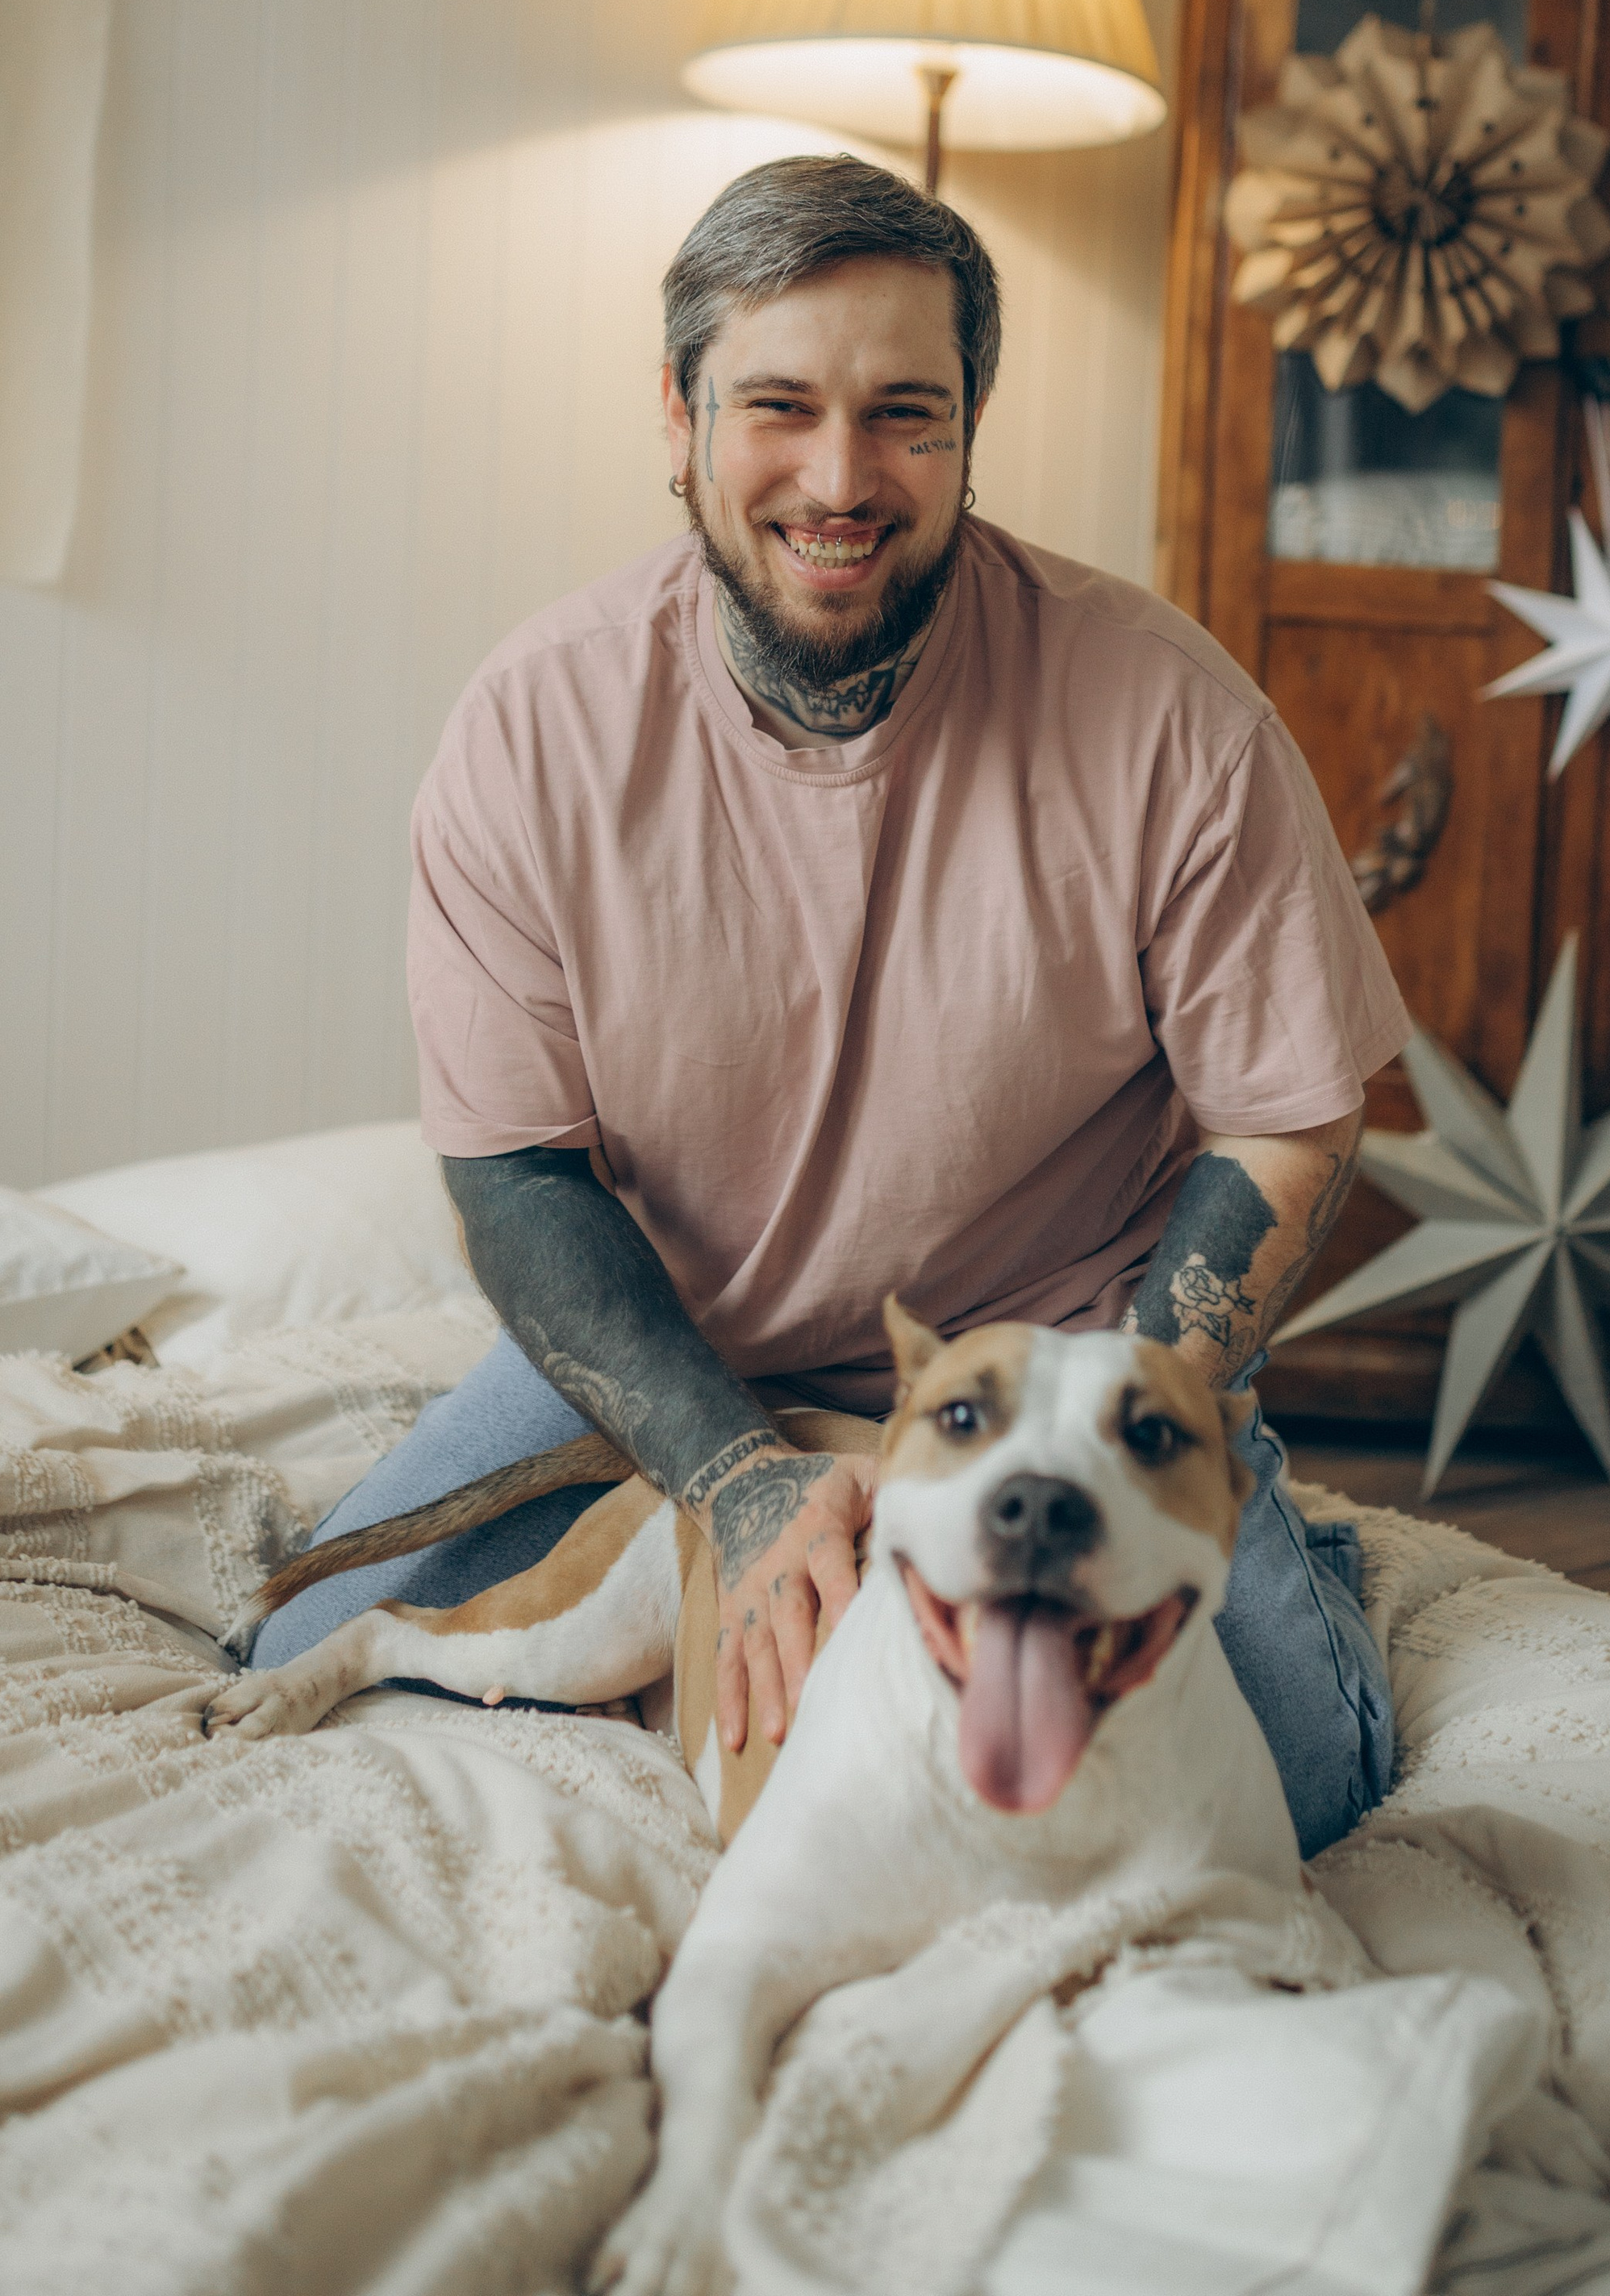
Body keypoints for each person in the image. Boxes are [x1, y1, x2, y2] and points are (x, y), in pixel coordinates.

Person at [253, 155, 1411, 1853]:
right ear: (677, 417)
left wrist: (1126, 1424)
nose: (838, 478)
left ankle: (1284, 1543)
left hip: (1051, 1355)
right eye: (777, 407)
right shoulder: (529, 731)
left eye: (903, 415)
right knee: (299, 1660)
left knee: (1295, 1788)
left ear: (969, 422)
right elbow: (515, 1179)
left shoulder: (1175, 717)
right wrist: (735, 1478)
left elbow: (1287, 1119)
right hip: (682, 1346)